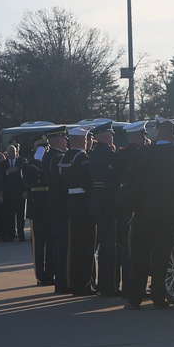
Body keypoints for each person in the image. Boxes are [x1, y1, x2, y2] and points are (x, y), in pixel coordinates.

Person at [124, 119, 174, 309]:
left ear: (158, 133)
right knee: (162, 255)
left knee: (140, 256)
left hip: (144, 211)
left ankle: (135, 298)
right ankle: (158, 297)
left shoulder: (142, 153)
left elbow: (130, 177)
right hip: (168, 212)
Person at [60, 127, 97, 296]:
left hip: (70, 201)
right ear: (83, 140)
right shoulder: (83, 158)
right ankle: (84, 284)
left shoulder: (66, 157)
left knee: (75, 245)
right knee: (86, 246)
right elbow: (88, 183)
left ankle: (76, 282)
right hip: (83, 204)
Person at [115, 121, 149, 301]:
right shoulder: (140, 155)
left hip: (123, 204)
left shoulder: (119, 155)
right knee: (136, 249)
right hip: (137, 205)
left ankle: (127, 286)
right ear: (139, 137)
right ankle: (134, 288)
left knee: (125, 247)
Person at [88, 121, 120, 296]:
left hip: (97, 202)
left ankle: (101, 283)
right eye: (111, 135)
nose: (112, 138)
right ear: (106, 136)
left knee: (101, 244)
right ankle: (109, 285)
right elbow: (113, 179)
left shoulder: (94, 153)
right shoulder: (108, 154)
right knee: (109, 246)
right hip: (108, 203)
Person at [22, 137, 54, 285]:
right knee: (38, 245)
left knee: (51, 244)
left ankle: (50, 274)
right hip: (37, 209)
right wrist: (36, 162)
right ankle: (40, 276)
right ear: (34, 148)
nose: (43, 149)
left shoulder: (51, 163)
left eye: (45, 147)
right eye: (40, 147)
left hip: (50, 207)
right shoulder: (27, 165)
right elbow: (27, 181)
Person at [43, 128, 70, 293]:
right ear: (60, 140)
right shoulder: (58, 157)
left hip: (54, 204)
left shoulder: (48, 156)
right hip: (61, 205)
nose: (67, 142)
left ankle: (59, 281)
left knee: (57, 243)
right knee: (62, 244)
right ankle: (63, 282)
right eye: (65, 139)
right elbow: (64, 180)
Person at [0, 144, 27, 242]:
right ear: (7, 153)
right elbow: (1, 177)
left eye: (13, 152)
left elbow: (26, 177)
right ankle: (10, 234)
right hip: (8, 194)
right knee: (9, 215)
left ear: (16, 152)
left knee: (20, 215)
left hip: (19, 193)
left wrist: (25, 191)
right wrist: (8, 172)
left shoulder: (22, 162)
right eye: (9, 152)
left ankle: (21, 234)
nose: (11, 153)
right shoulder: (3, 164)